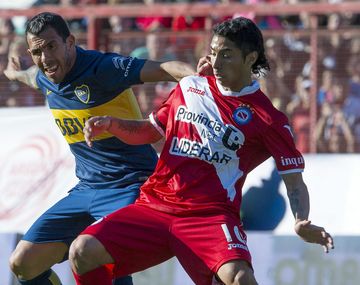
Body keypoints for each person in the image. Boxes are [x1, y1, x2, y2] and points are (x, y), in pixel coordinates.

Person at [71, 17, 334, 285]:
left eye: (227, 55)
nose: (217, 63)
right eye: (213, 53)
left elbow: (294, 182)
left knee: (241, 279)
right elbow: (150, 132)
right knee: (82, 251)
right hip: (155, 206)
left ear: (250, 57)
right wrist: (113, 125)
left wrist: (302, 220)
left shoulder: (268, 119)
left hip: (209, 217)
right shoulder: (190, 87)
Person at [3, 12, 195, 285]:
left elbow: (164, 68)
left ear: (70, 42)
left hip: (131, 185)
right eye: (36, 51)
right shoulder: (47, 75)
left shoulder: (103, 68)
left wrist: (200, 80)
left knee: (100, 256)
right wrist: (13, 73)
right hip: (87, 188)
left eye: (51, 46)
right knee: (23, 264)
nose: (44, 58)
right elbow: (30, 76)